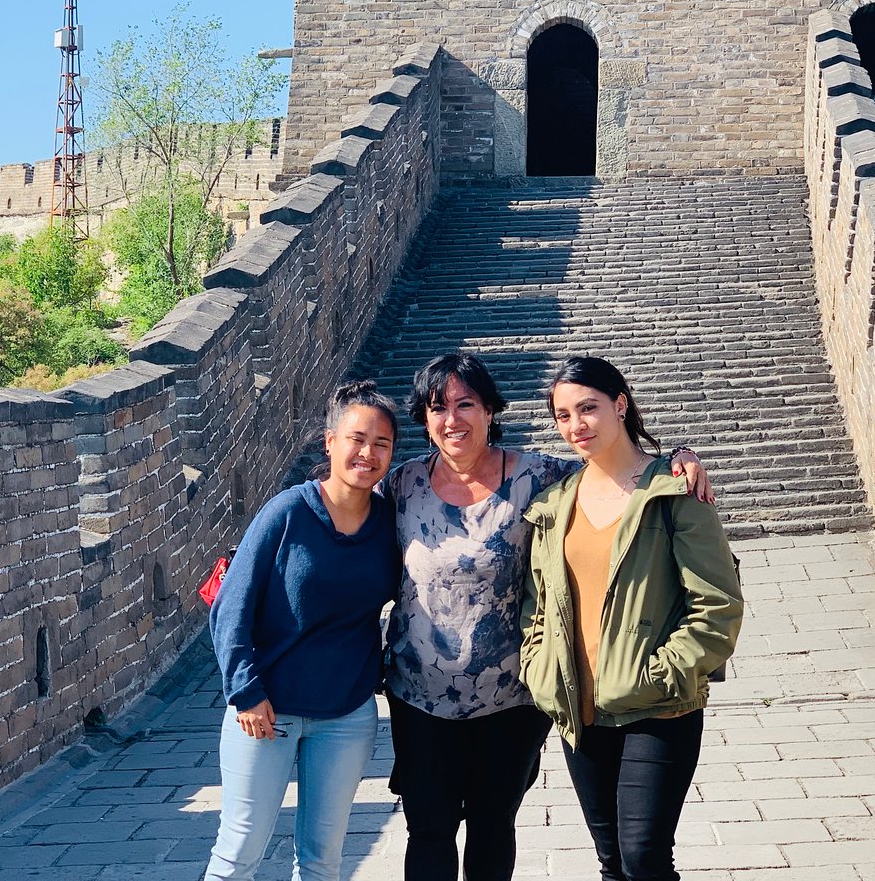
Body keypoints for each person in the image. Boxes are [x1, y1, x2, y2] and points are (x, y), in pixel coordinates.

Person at [381, 352, 711, 881]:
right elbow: (341, 505)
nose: (452, 419)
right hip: (420, 698)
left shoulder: (540, 477)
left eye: (466, 404)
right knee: (429, 832)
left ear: (491, 410)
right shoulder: (400, 487)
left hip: (513, 699)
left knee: (494, 828)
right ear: (423, 418)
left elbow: (614, 464)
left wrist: (680, 457)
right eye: (436, 407)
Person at [521, 356, 743, 881]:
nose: (577, 425)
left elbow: (718, 605)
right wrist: (540, 668)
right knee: (613, 863)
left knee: (645, 856)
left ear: (620, 404)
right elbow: (539, 606)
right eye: (563, 415)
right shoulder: (555, 503)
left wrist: (664, 672)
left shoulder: (673, 491)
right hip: (582, 710)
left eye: (589, 408)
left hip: (658, 708)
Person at [206, 380, 403, 881]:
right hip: (266, 711)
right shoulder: (288, 511)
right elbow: (231, 608)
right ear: (330, 442)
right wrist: (246, 692)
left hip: (347, 714)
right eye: (357, 439)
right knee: (238, 853)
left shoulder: (390, 522)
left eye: (382, 443)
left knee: (322, 860)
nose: (368, 452)